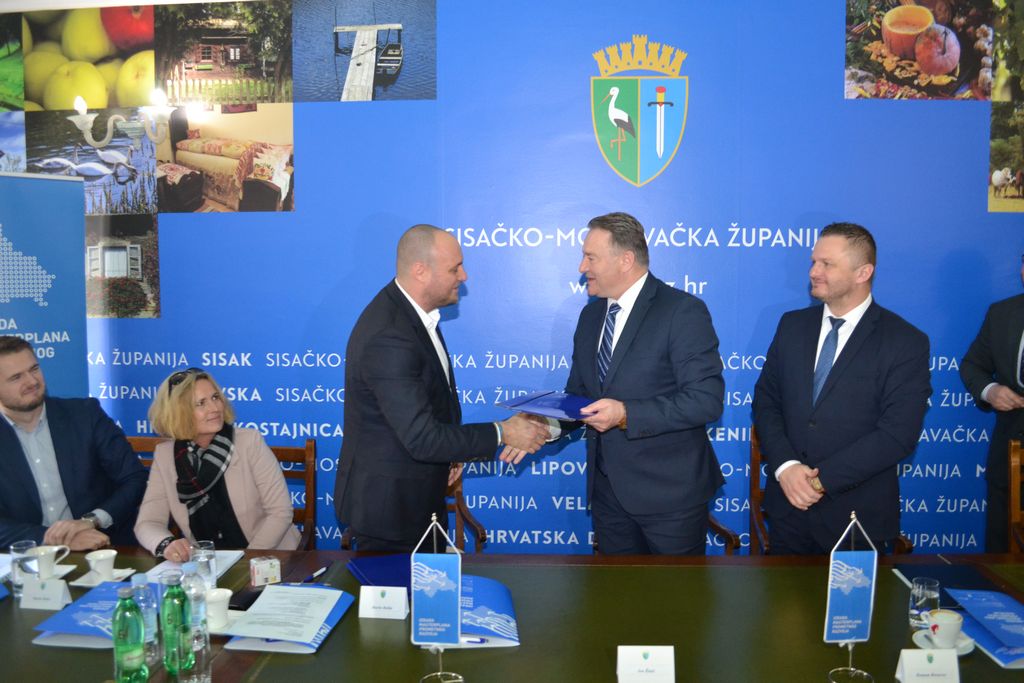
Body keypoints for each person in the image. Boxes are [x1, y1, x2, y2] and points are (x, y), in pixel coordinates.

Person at [334, 224, 549, 553]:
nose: (464, 276)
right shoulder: (390, 335)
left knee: (430, 587)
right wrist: (504, 432)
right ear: (420, 271)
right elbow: (422, 438)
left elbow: (429, 405)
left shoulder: (414, 316)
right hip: (391, 515)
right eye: (454, 268)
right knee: (400, 589)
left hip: (418, 500)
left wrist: (452, 454)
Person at [542, 212, 725, 555]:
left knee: (677, 591)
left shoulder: (682, 311)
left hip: (672, 498)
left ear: (625, 260)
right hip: (608, 496)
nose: (582, 267)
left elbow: (705, 400)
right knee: (616, 590)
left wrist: (625, 414)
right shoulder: (591, 316)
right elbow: (579, 397)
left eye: (591, 257)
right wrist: (544, 426)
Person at [752, 222, 931, 554]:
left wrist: (819, 482)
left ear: (863, 272)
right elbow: (766, 401)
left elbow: (897, 434)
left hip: (857, 520)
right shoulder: (792, 326)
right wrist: (786, 468)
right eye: (813, 262)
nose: (813, 272)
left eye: (827, 264)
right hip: (789, 512)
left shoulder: (905, 341)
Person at [134, 368, 300, 561]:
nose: (214, 408)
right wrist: (167, 544)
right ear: (178, 413)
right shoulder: (166, 456)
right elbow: (148, 522)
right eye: (201, 403)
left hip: (268, 557)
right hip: (207, 564)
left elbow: (280, 512)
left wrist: (246, 560)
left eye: (215, 397)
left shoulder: (249, 442)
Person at [0, 336, 146, 550]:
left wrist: (92, 521)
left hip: (104, 549)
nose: (32, 381)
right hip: (30, 555)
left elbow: (134, 478)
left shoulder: (85, 415)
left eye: (34, 369)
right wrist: (54, 538)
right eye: (16, 377)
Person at [960, 253, 1024, 553]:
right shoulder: (1002, 313)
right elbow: (973, 365)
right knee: (1002, 558)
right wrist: (990, 390)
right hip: (1009, 459)